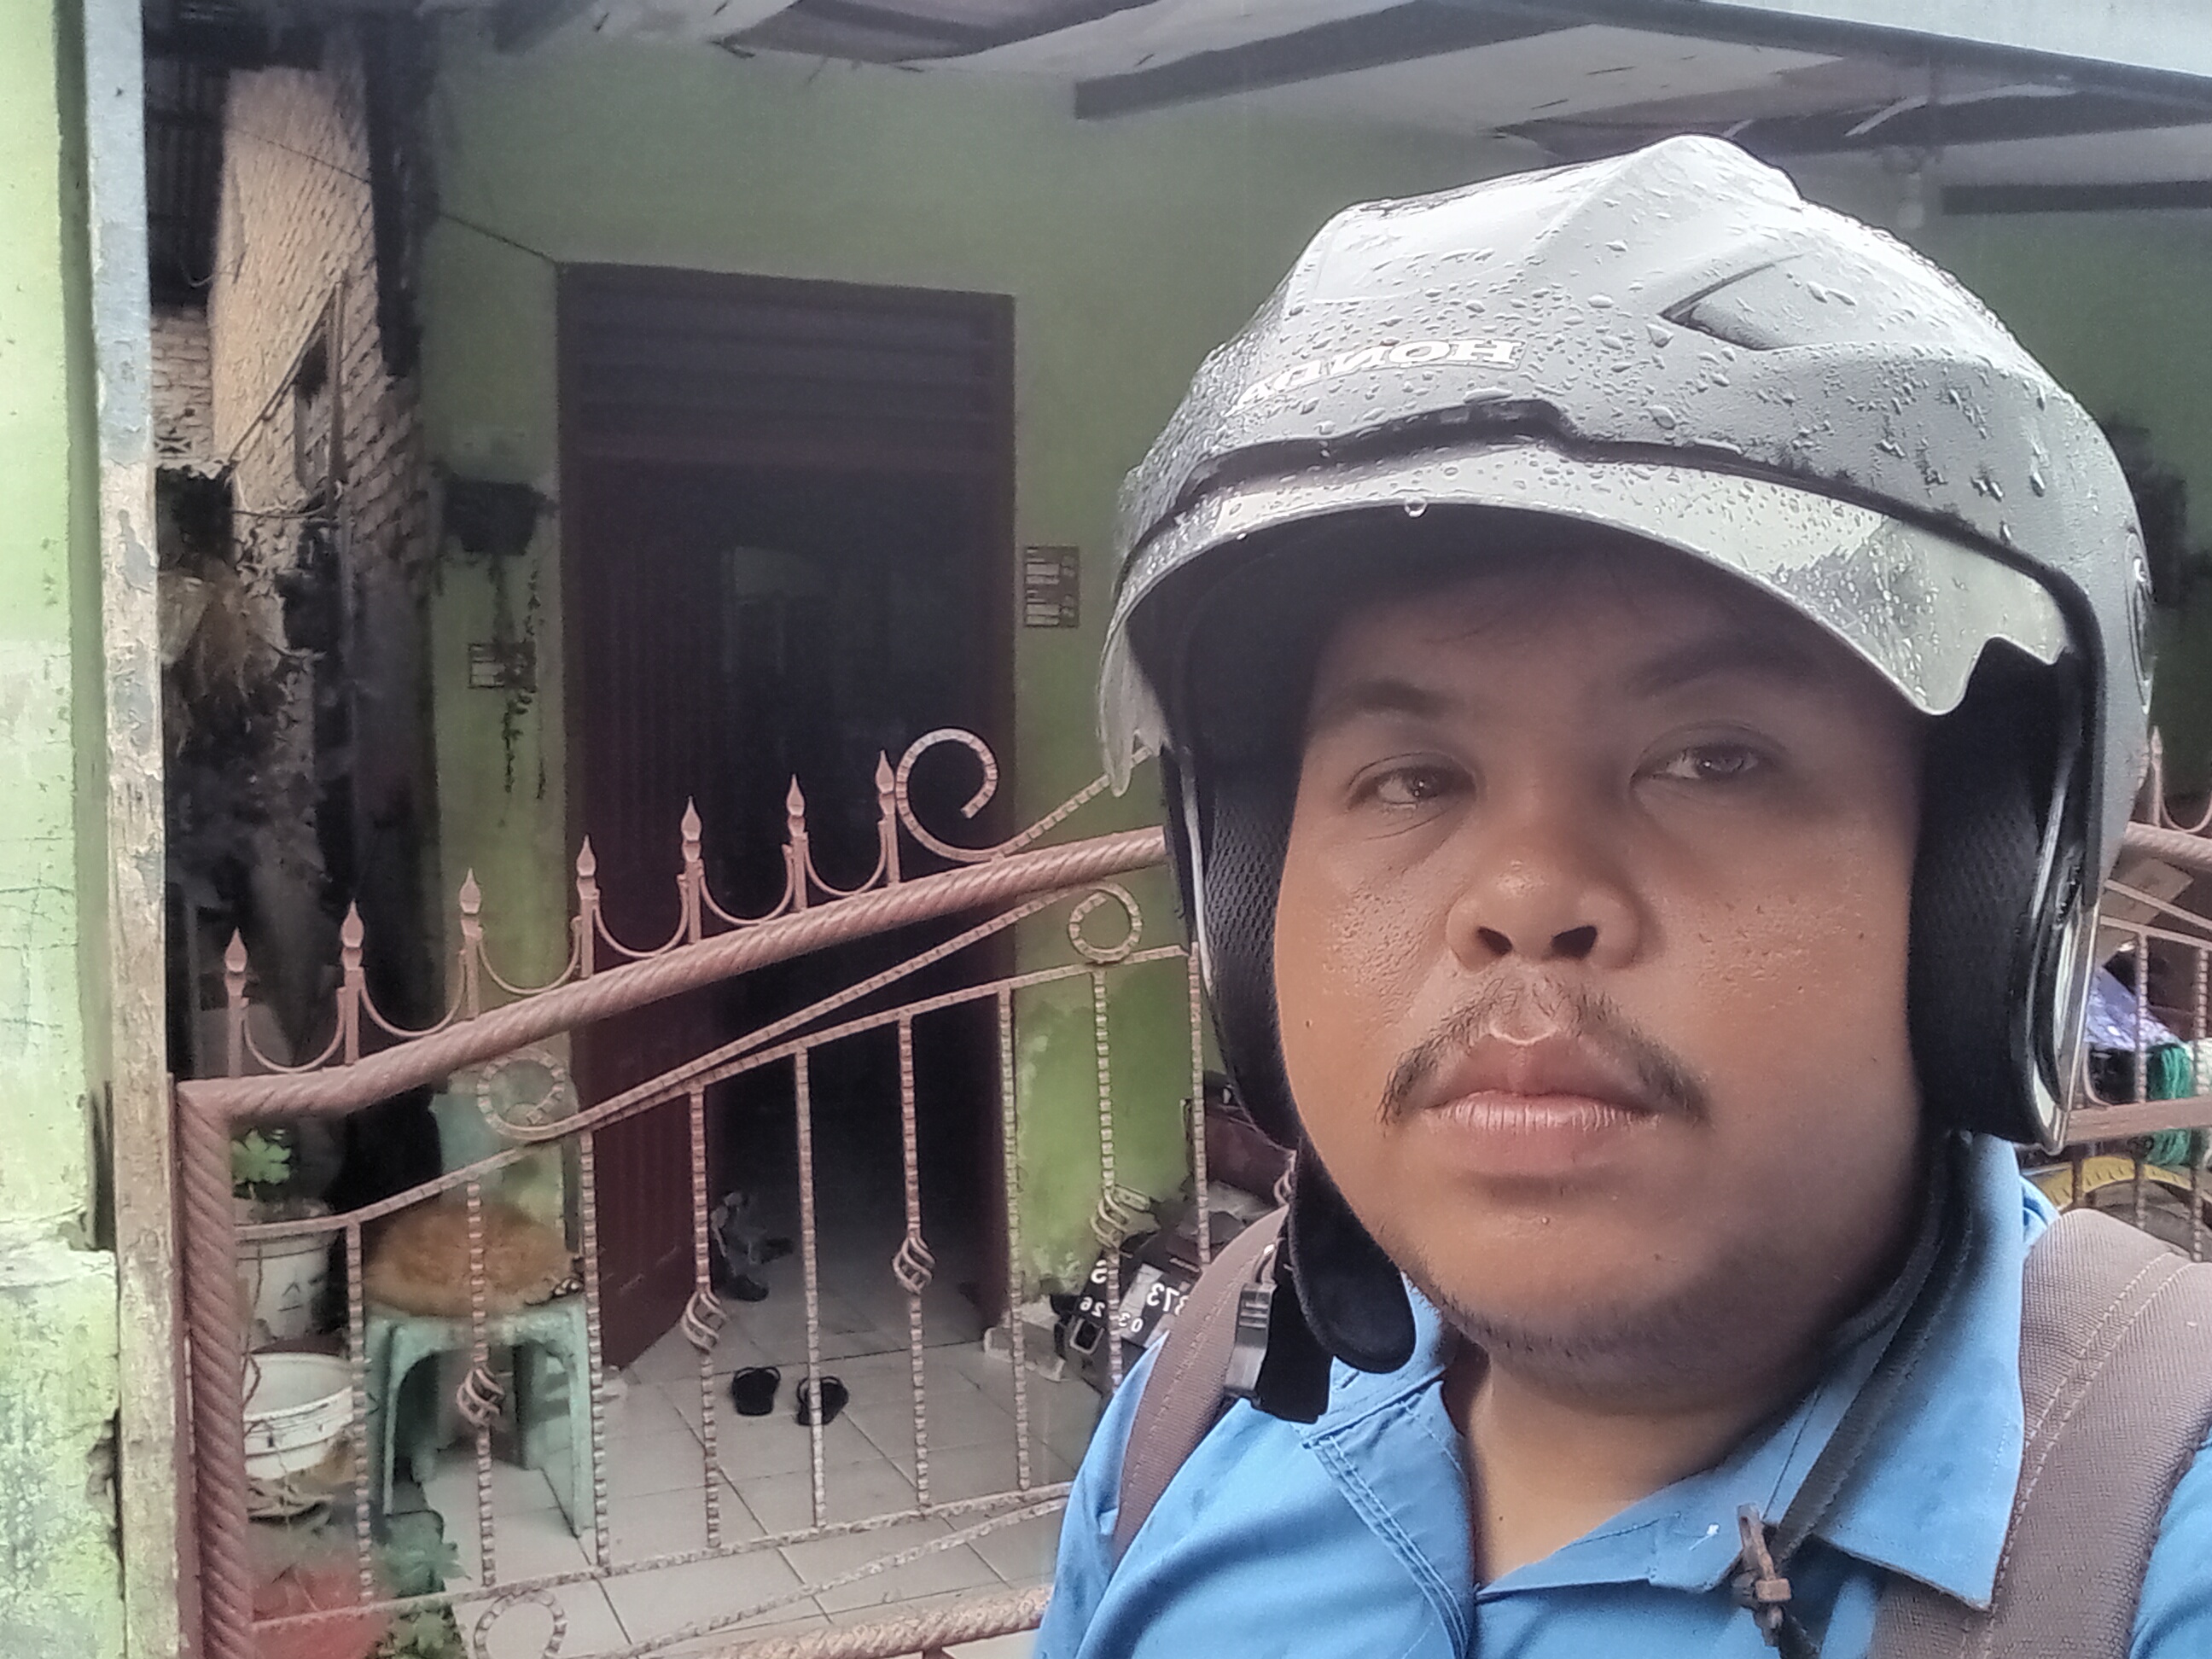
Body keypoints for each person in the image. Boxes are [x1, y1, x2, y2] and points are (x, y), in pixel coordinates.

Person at [1037, 137, 2212, 1657]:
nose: (1528, 897)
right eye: (1412, 778)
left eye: (1714, 761)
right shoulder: (1193, 1417)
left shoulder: (2147, 1552)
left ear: (1986, 898)